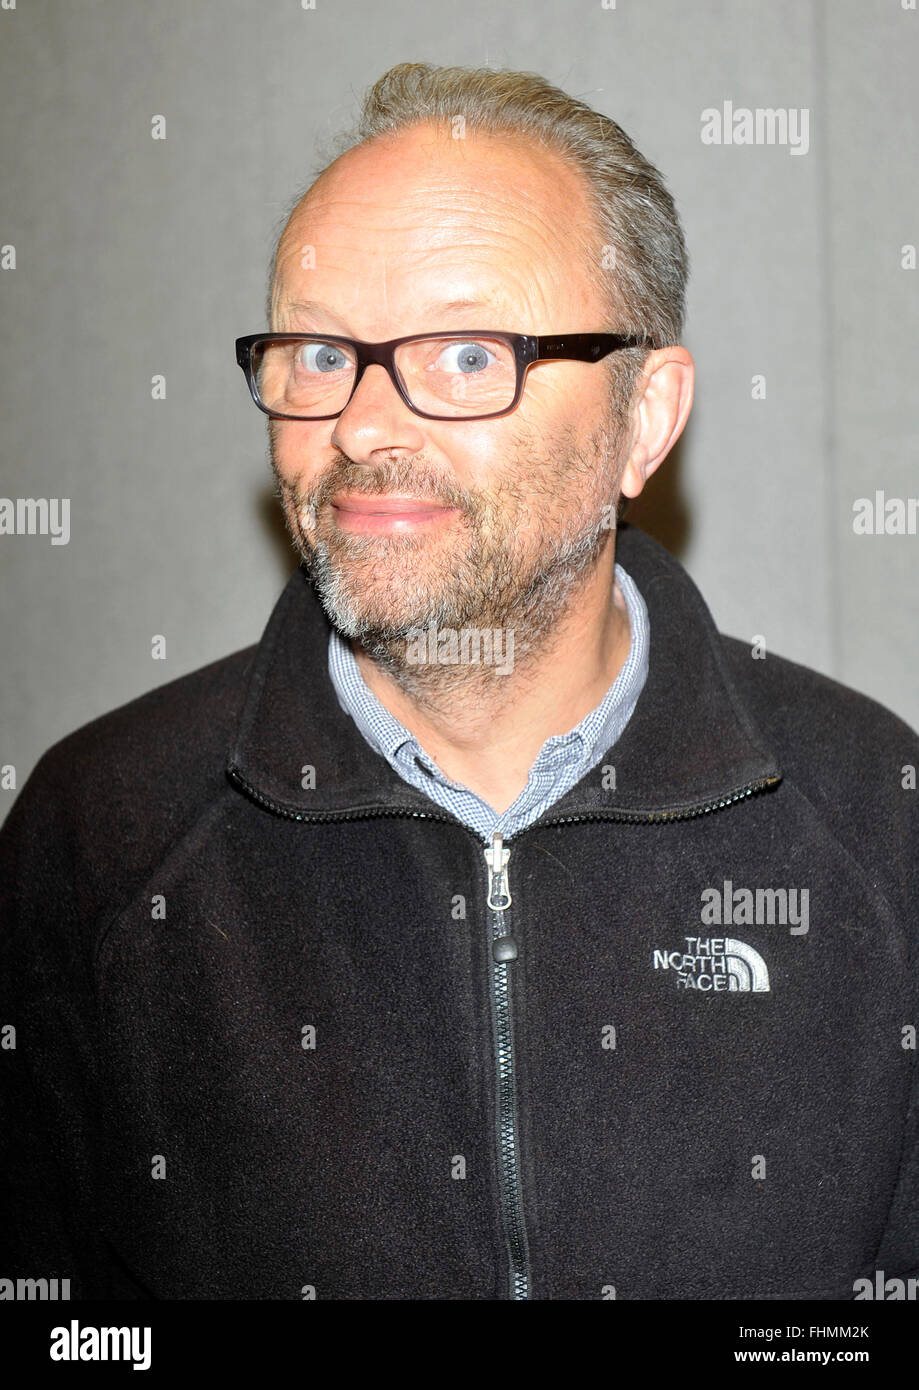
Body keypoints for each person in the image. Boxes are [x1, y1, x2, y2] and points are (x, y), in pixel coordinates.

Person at [1, 61, 917, 1302]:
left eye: (471, 355)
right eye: (320, 351)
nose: (367, 427)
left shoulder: (872, 821)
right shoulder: (100, 833)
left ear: (643, 420)